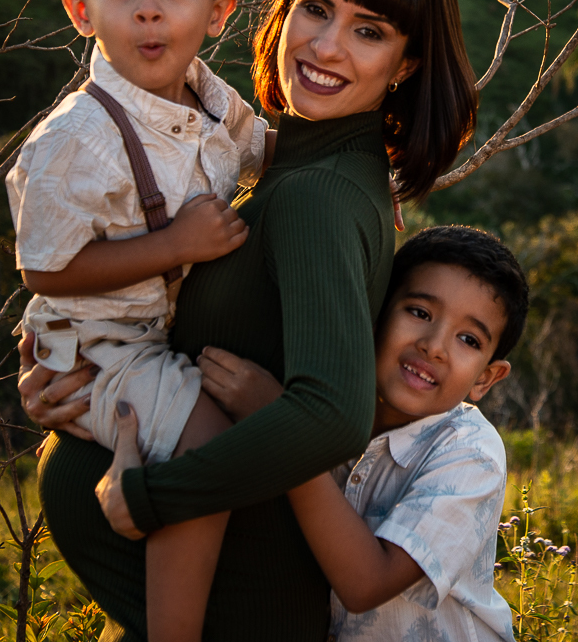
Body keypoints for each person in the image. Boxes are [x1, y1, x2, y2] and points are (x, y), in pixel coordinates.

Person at [18, 0, 478, 641]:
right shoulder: (296, 162)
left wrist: (160, 495)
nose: (326, 47)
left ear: (407, 61)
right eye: (315, 8)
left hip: (237, 610)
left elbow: (332, 413)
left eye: (368, 32)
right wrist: (77, 356)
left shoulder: (319, 194)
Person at [7, 0, 270, 642]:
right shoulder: (72, 142)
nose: (148, 10)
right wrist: (173, 247)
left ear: (216, 14)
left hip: (157, 334)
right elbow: (45, 269)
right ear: (81, 9)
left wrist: (360, 172)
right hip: (100, 349)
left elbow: (266, 152)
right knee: (213, 449)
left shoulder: (211, 97)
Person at [196, 225, 528, 641]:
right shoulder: (326, 400)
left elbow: (367, 584)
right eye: (420, 313)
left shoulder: (470, 452)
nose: (434, 346)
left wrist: (282, 427)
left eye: (468, 339)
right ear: (373, 310)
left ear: (486, 379)